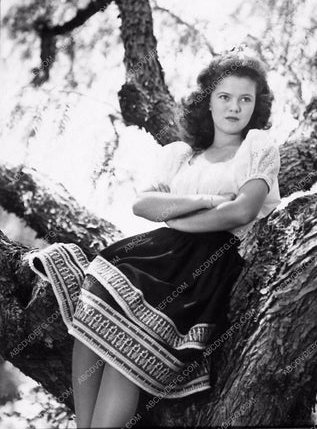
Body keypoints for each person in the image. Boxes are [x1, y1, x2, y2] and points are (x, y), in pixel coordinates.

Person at [23, 47, 281, 429]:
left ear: (256, 107)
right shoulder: (181, 155)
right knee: (94, 319)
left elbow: (242, 211)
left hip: (210, 265)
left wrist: (179, 219)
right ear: (207, 101)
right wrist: (205, 201)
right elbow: (144, 205)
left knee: (128, 348)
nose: (234, 107)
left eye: (246, 99)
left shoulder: (256, 148)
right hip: (160, 254)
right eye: (224, 96)